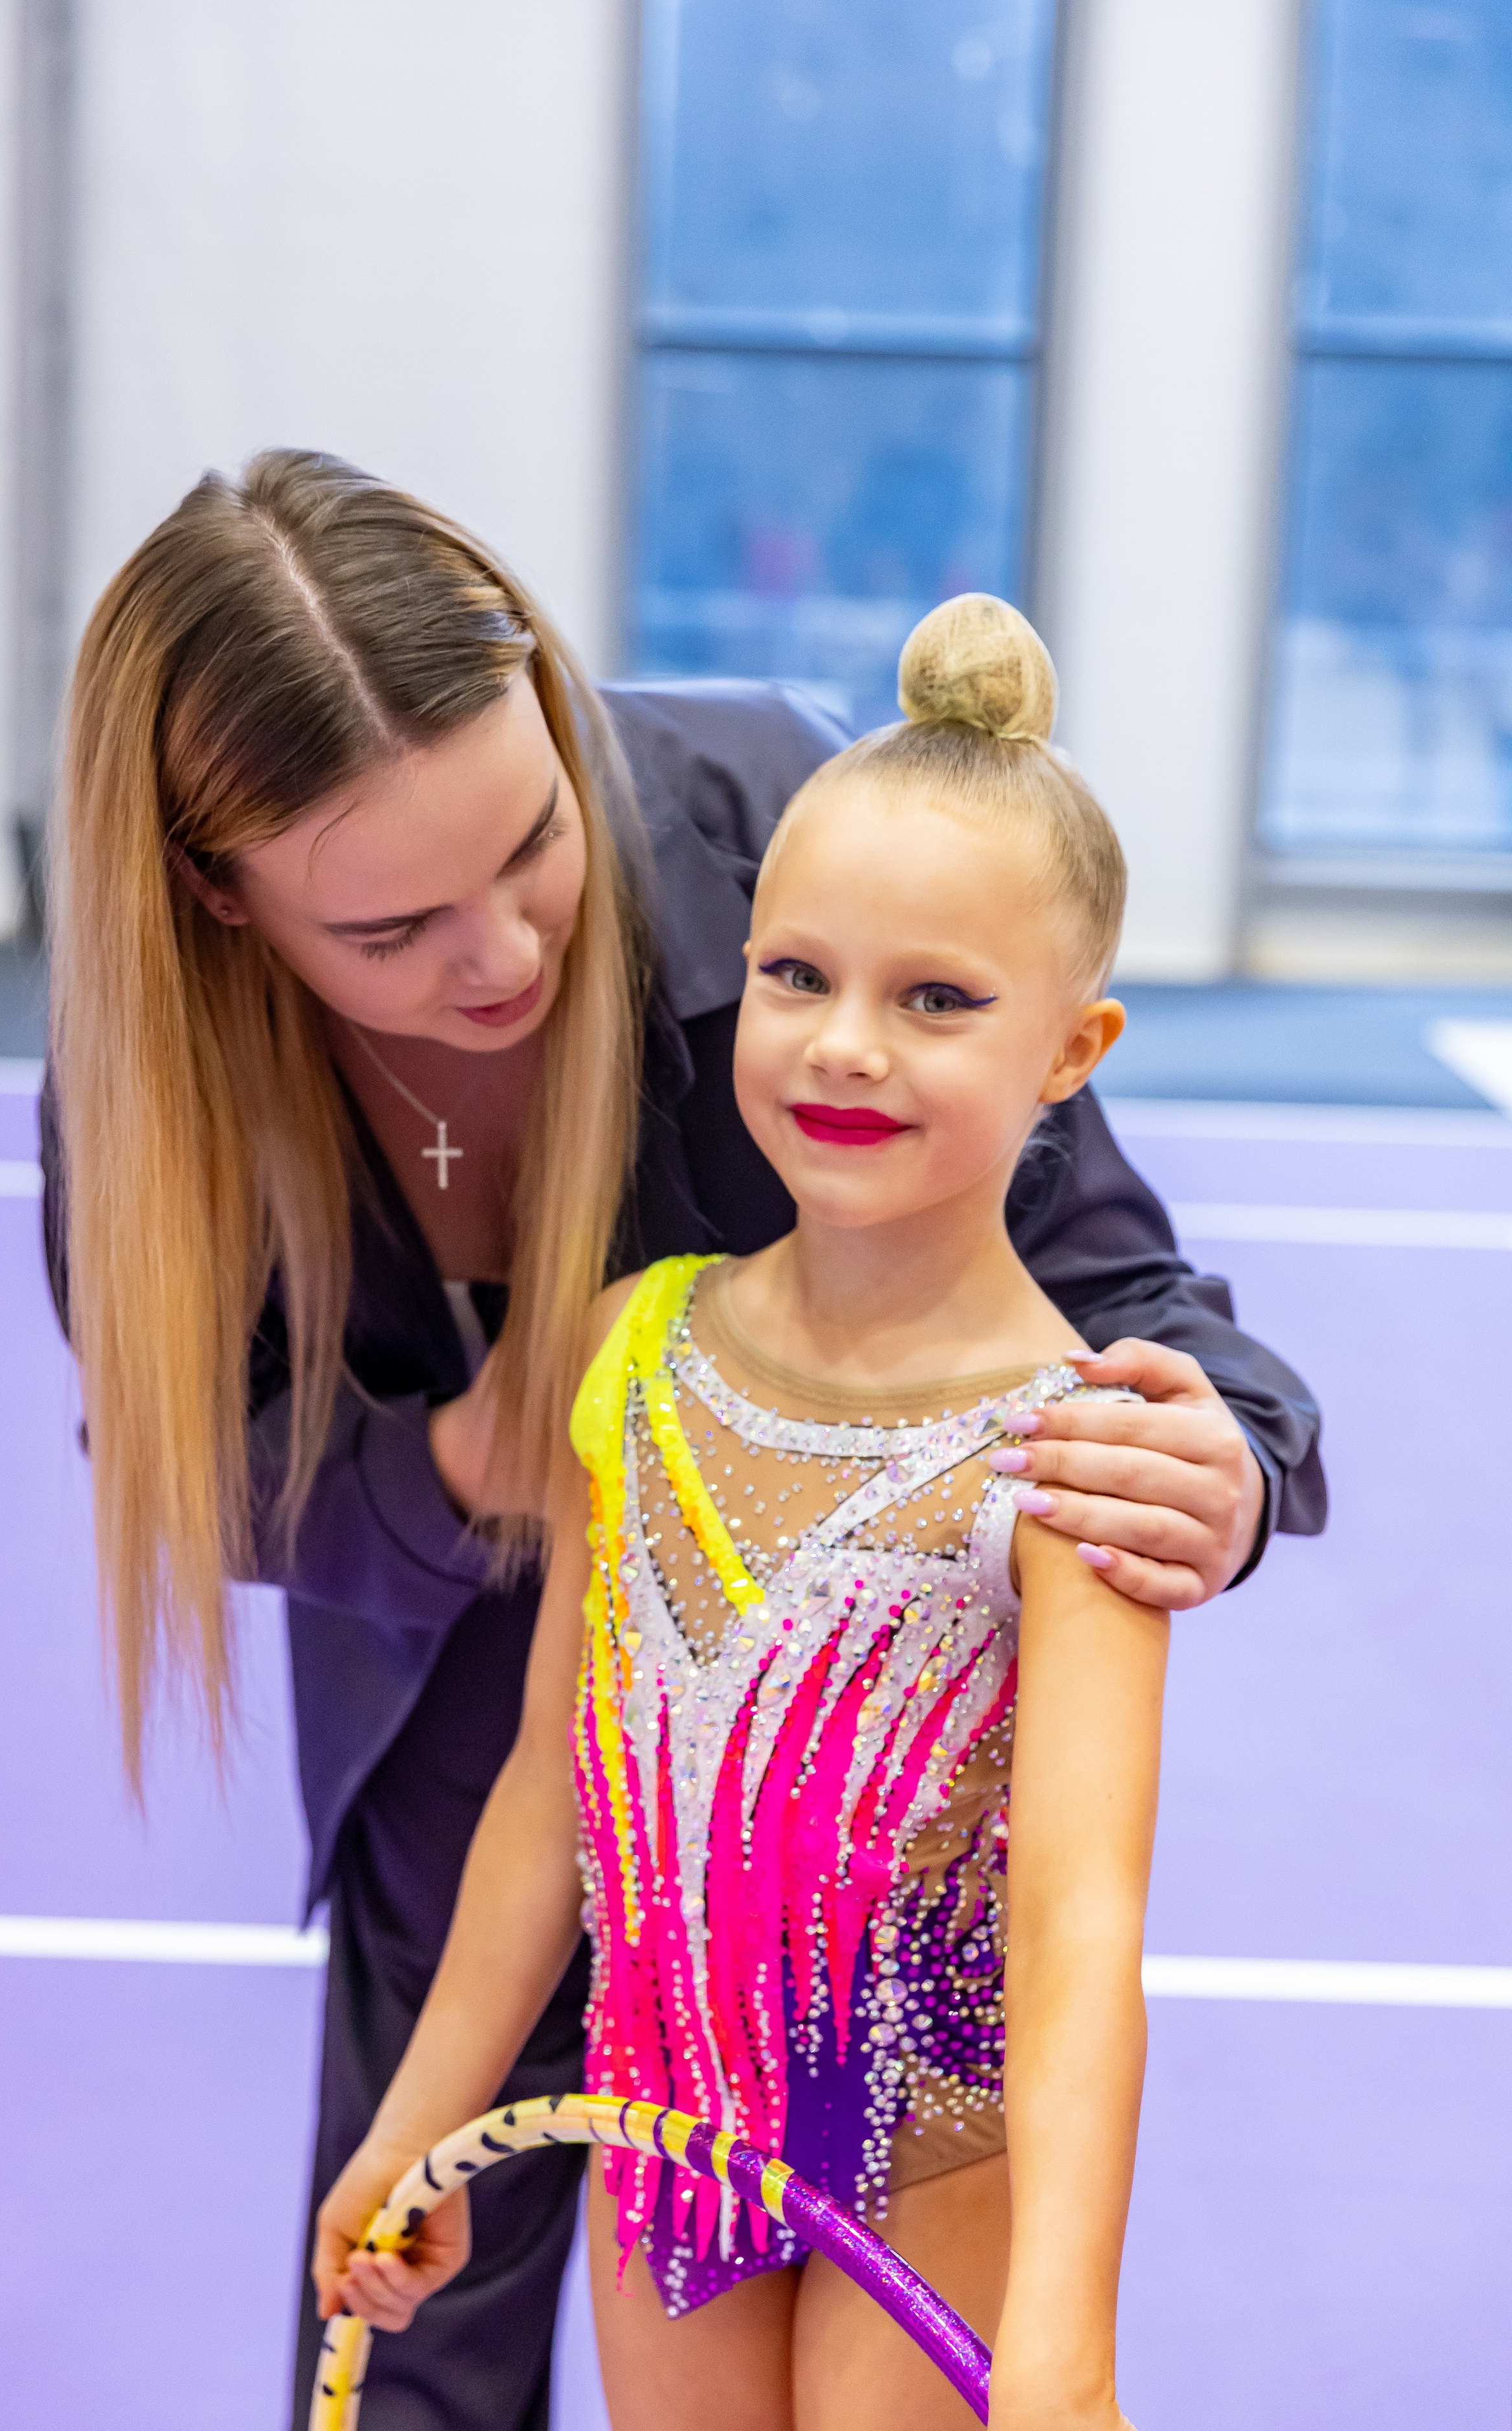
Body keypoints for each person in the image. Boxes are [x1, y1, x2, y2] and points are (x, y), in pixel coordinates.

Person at [39, 453, 1323, 2431]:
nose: (500, 958)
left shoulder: (797, 838)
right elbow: (220, 1479)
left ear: (556, 714)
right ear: (225, 906)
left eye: (532, 848)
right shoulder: (166, 1100)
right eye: (391, 928)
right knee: (411, 2355)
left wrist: (1218, 1463)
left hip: (892, 1996)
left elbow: (1135, 1310)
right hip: (492, 1758)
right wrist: (472, 1459)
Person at [311, 593, 1169, 2430]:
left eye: (937, 1000)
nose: (846, 1046)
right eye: (800, 977)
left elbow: (1078, 1926)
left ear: (1073, 1051)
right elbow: (554, 1781)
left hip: (931, 2171)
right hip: (666, 2134)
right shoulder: (631, 1343)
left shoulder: (1067, 1450)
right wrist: (419, 2119)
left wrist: (1066, 2333)